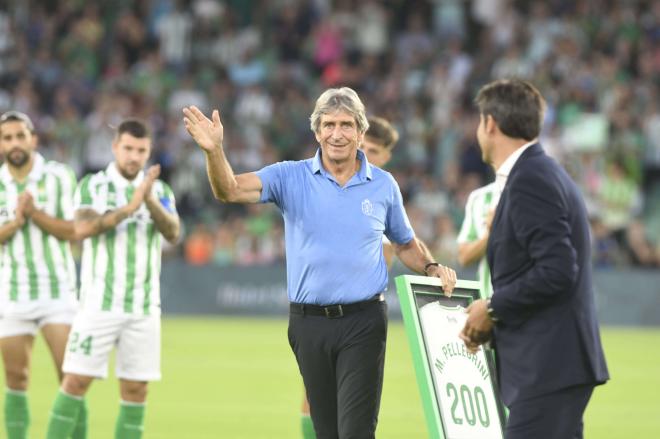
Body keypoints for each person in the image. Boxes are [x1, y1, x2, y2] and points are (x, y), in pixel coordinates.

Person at [183, 87, 457, 439]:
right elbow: (230, 189)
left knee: (356, 432)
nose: (337, 134)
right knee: (326, 432)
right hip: (308, 323)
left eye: (346, 125)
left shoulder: (383, 185)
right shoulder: (289, 176)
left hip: (364, 321)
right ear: (317, 131)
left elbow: (405, 243)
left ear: (360, 132)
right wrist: (215, 151)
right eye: (329, 125)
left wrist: (433, 268)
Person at [460, 79, 609, 439]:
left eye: (480, 122)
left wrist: (492, 307)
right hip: (552, 364)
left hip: (548, 366)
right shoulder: (540, 172)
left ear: (490, 123)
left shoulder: (530, 179)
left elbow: (557, 270)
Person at [45, 119, 180, 439]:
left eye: (141, 150)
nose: (134, 156)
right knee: (75, 382)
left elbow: (173, 232)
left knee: (136, 390)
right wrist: (129, 207)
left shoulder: (159, 190)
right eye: (128, 149)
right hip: (98, 305)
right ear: (115, 148)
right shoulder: (94, 185)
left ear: (148, 152)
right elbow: (82, 229)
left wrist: (147, 202)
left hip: (143, 307)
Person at [0, 111, 84, 439]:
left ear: (33, 139)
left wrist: (35, 214)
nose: (15, 143)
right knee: (16, 378)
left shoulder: (59, 176)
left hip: (57, 293)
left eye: (20, 135)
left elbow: (74, 230)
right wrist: (15, 223)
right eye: (7, 138)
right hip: (12, 293)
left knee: (71, 377)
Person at [456, 181, 498, 299]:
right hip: (488, 302)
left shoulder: (538, 191)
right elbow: (463, 256)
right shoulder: (481, 197)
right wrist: (492, 233)